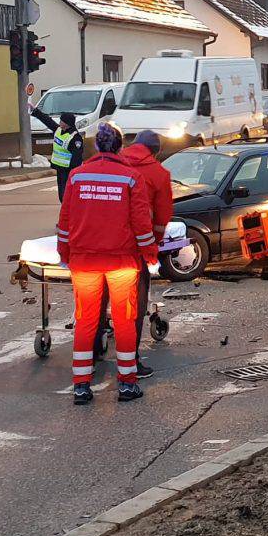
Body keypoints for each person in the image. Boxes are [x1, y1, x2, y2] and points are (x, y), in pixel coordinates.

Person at [57, 122, 157, 405]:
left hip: (84, 262)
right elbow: (142, 225)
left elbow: (65, 221)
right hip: (121, 263)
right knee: (125, 320)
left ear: (97, 146)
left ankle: (81, 385)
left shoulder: (76, 177)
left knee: (86, 321)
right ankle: (126, 383)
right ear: (120, 146)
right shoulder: (131, 178)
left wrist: (65, 253)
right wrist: (149, 255)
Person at [94, 130, 173, 378]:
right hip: (131, 250)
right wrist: (152, 246)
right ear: (155, 151)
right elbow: (160, 219)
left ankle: (94, 350)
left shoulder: (110, 162)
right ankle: (132, 361)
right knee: (133, 307)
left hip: (95, 244)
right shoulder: (159, 174)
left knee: (96, 299)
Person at [30, 106, 84, 201]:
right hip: (60, 169)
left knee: (66, 195)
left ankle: (68, 212)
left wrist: (73, 172)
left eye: (61, 121)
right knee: (62, 194)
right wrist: (35, 111)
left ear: (67, 123)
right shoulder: (59, 130)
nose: (60, 123)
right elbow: (47, 120)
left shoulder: (75, 138)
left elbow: (77, 158)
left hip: (69, 171)